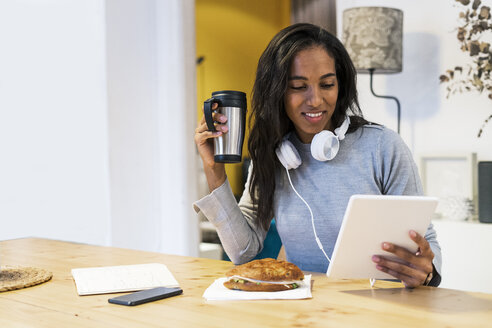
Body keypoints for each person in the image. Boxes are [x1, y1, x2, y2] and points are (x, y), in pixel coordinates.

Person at [194, 23, 441, 288]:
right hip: (306, 310)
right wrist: (215, 173)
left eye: (327, 84)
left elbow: (427, 243)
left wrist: (428, 271)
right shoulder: (275, 155)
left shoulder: (383, 146)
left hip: (381, 307)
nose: (315, 100)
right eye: (299, 86)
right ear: (277, 92)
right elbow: (244, 252)